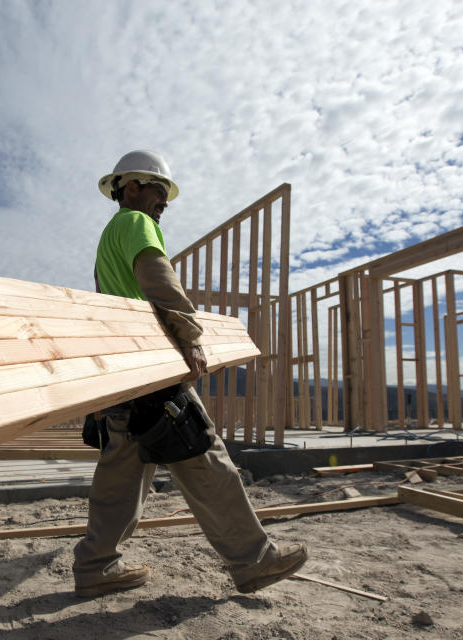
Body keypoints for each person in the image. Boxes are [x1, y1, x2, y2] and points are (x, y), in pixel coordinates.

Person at [72, 150, 307, 598]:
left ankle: (95, 566)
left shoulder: (107, 239)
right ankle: (254, 561)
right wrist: (190, 335)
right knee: (206, 461)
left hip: (124, 377)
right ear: (132, 188)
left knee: (120, 476)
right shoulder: (137, 223)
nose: (164, 202)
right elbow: (159, 280)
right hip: (155, 372)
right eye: (159, 190)